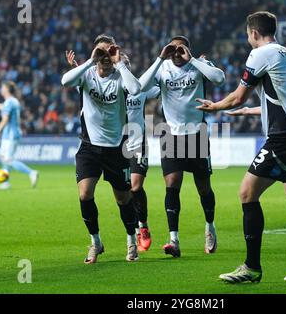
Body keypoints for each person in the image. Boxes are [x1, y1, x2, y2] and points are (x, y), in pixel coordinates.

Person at [197, 11, 286, 283]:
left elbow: (238, 95)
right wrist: (246, 112)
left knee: (246, 193)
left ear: (253, 33)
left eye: (247, 34)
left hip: (283, 137)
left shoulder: (260, 54)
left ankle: (251, 267)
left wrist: (216, 106)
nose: (247, 38)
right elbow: (283, 101)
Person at [65, 50, 160, 252]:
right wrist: (80, 67)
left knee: (135, 187)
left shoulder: (137, 86)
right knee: (124, 192)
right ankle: (125, 233)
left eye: (124, 60)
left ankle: (142, 225)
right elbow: (84, 86)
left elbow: (162, 90)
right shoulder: (106, 82)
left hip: (136, 142)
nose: (119, 62)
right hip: (118, 143)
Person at [140, 35, 225, 257]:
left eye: (181, 50)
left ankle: (209, 227)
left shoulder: (199, 65)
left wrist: (194, 59)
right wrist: (160, 58)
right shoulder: (163, 67)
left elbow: (219, 79)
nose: (177, 54)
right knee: (172, 183)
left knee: (203, 187)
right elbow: (141, 86)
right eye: (173, 50)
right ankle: (173, 240)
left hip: (197, 131)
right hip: (170, 132)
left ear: (188, 50)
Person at [61, 35, 141, 263]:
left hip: (115, 148)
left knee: (123, 200)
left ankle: (131, 241)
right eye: (101, 52)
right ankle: (96, 242)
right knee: (85, 194)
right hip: (89, 146)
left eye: (110, 51)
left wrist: (120, 63)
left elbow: (135, 89)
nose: (105, 57)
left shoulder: (120, 77)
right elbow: (65, 81)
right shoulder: (86, 74)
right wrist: (89, 61)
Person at [0, 81, 39, 190]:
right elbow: (3, 107)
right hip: (9, 134)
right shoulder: (12, 101)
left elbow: (5, 119)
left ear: (6, 89)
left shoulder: (10, 102)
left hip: (11, 135)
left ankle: (31, 172)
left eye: (2, 87)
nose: (1, 89)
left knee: (9, 160)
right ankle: (5, 183)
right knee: (3, 157)